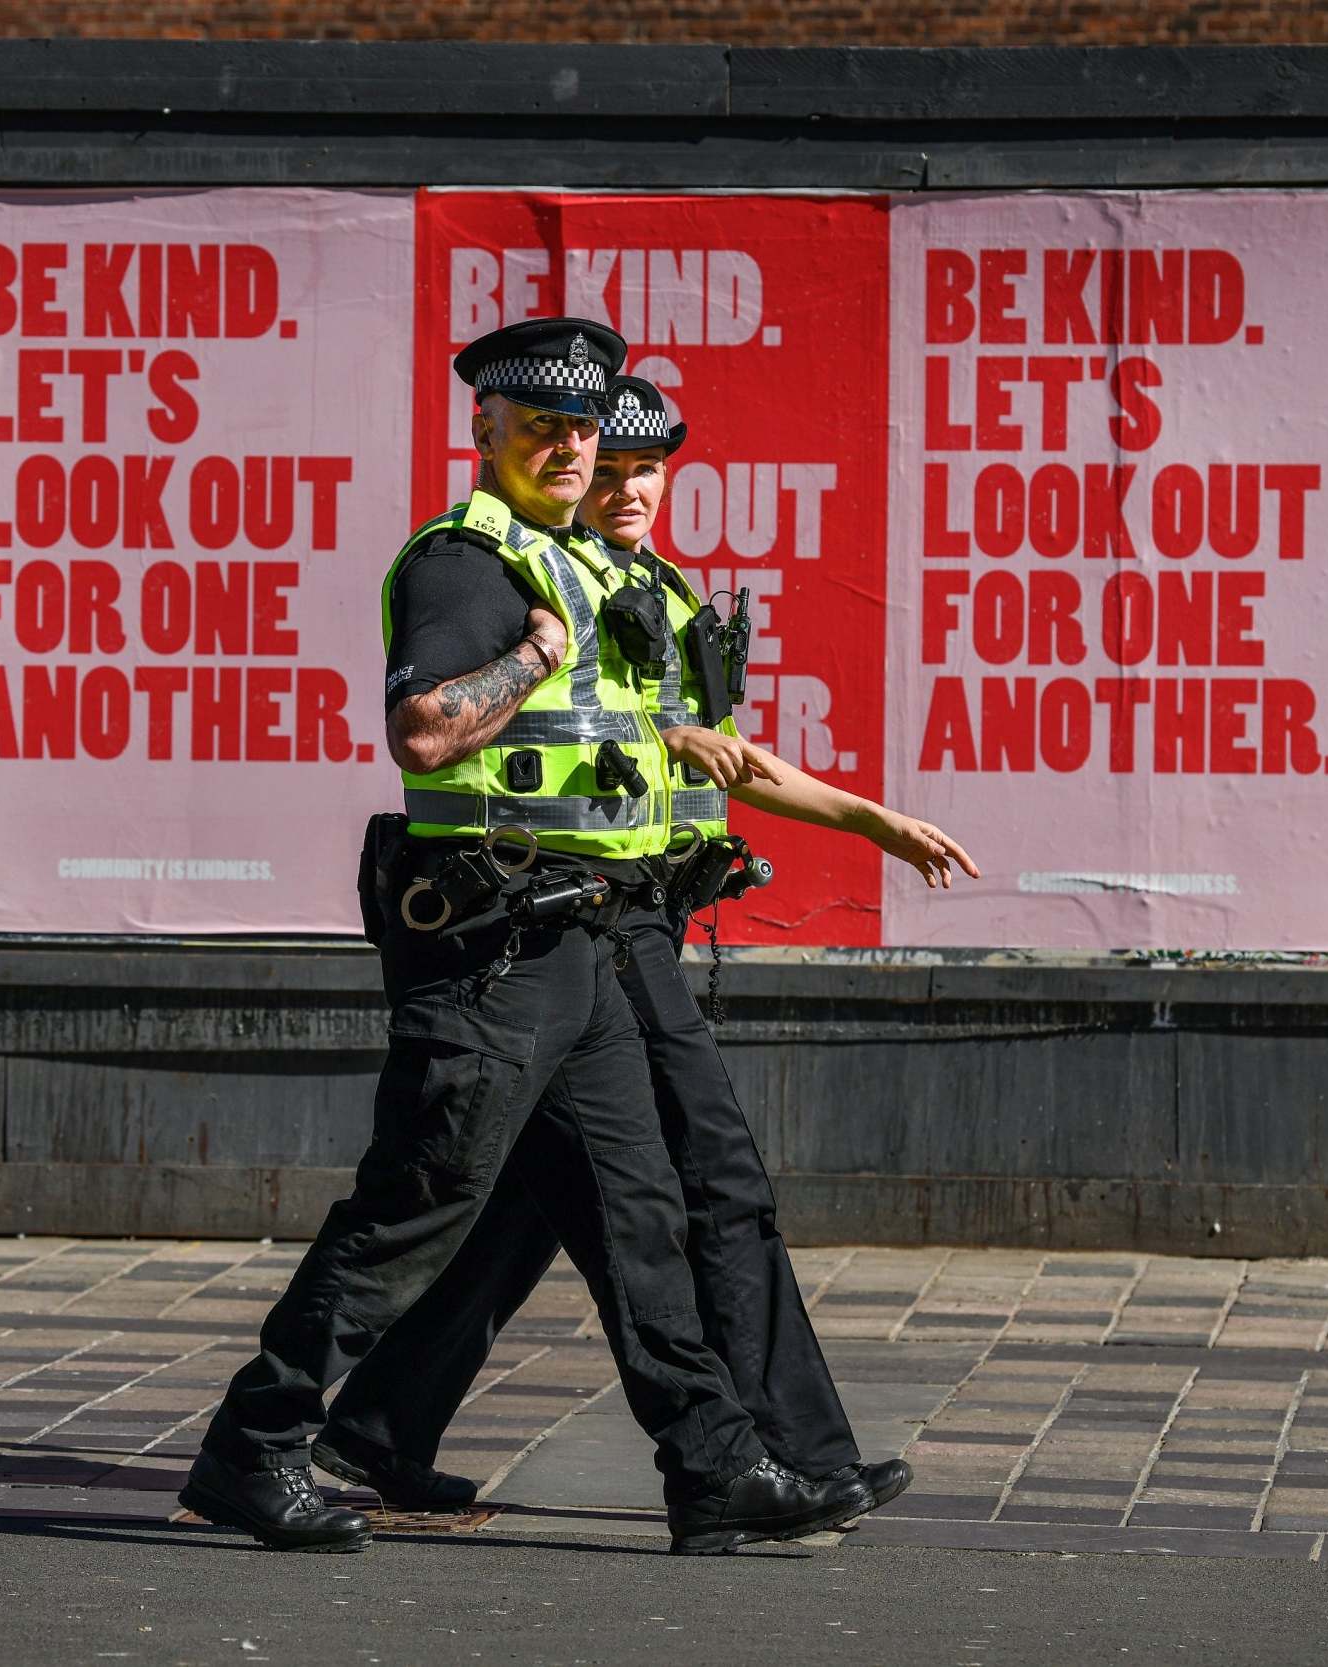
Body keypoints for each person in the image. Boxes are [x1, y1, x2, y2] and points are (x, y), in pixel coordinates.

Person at [180, 324, 873, 1555]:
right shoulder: (470, 561)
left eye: (581, 426)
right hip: (493, 938)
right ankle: (255, 1446)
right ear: (485, 430)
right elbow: (424, 733)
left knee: (637, 1207)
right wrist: (531, 654)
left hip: (589, 937)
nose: (566, 447)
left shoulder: (584, 559)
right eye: (539, 424)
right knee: (422, 1199)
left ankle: (712, 1467)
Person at [314, 374, 979, 1519]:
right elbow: (487, 720)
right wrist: (658, 731)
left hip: (623, 919)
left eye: (640, 468)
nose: (620, 486)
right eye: (600, 466)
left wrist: (869, 818)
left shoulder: (652, 586)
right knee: (702, 1184)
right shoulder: (514, 568)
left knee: (532, 1202)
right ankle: (774, 1452)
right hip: (577, 922)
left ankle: (373, 1430)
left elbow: (720, 752)